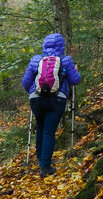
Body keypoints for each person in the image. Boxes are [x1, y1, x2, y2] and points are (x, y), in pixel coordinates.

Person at [21, 33, 82, 177]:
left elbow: (25, 83)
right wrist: (76, 71)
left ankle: (41, 160)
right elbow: (75, 80)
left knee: (41, 128)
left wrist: (32, 92)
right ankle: (45, 167)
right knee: (49, 131)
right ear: (61, 46)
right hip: (57, 99)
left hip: (36, 99)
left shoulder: (35, 60)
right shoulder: (66, 60)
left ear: (44, 45)